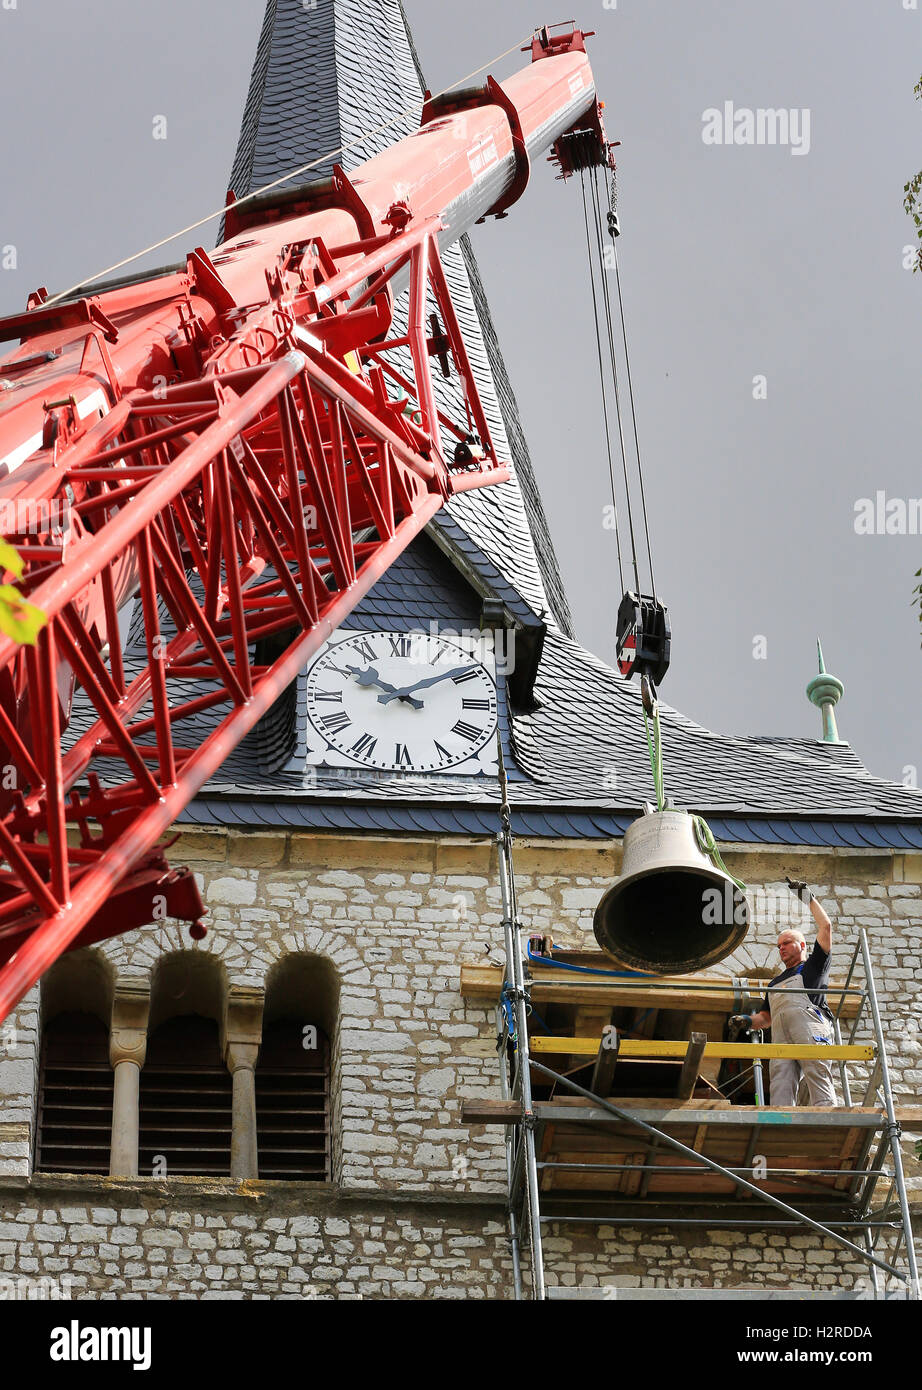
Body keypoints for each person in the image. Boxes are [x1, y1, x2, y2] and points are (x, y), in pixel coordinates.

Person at [730, 879, 837, 1107]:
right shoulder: (774, 983)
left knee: (816, 1070)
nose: (782, 948)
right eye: (779, 946)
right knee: (780, 1079)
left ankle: (828, 1115)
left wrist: (806, 896)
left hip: (810, 1027)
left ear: (803, 946)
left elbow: (826, 926)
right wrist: (747, 1021)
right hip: (781, 1034)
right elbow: (766, 1018)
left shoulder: (814, 966)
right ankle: (780, 1120)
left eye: (787, 943)